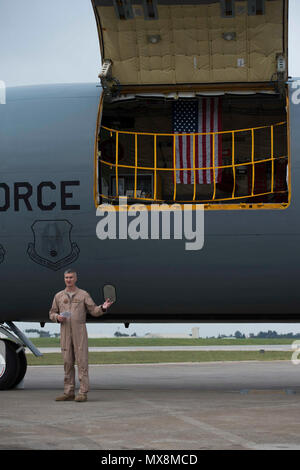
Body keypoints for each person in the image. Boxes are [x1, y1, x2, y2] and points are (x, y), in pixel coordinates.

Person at [49, 269, 114, 402]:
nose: (68, 280)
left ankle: (83, 392)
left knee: (82, 362)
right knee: (67, 362)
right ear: (64, 279)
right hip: (65, 332)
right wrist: (57, 317)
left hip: (80, 332)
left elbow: (94, 311)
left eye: (71, 277)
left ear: (76, 279)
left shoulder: (83, 294)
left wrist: (103, 307)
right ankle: (68, 392)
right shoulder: (59, 296)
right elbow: (51, 313)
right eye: (66, 277)